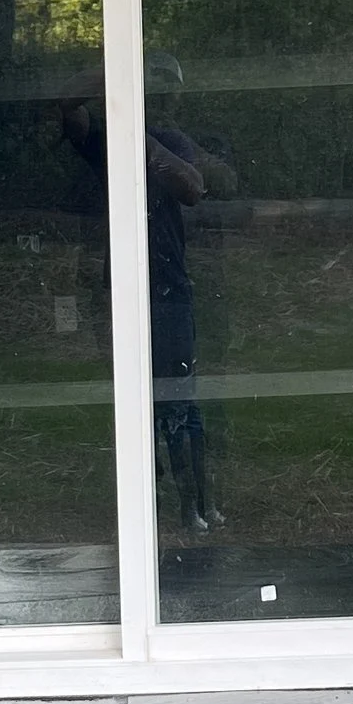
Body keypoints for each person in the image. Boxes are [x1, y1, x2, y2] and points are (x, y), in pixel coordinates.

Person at [57, 54, 233, 532]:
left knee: (179, 395)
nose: (164, 97)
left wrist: (140, 133)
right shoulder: (104, 138)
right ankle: (148, 506)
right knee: (133, 399)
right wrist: (113, 70)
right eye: (153, 86)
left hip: (167, 287)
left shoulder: (170, 140)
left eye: (164, 89)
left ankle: (195, 505)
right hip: (116, 286)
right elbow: (64, 106)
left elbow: (194, 187)